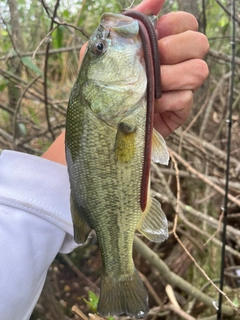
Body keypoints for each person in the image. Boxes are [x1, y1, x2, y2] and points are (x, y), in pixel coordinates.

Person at [0, 0, 209, 319]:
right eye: (101, 48)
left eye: (97, 49)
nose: (101, 45)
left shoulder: (100, 108)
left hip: (118, 127)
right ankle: (119, 273)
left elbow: (90, 146)